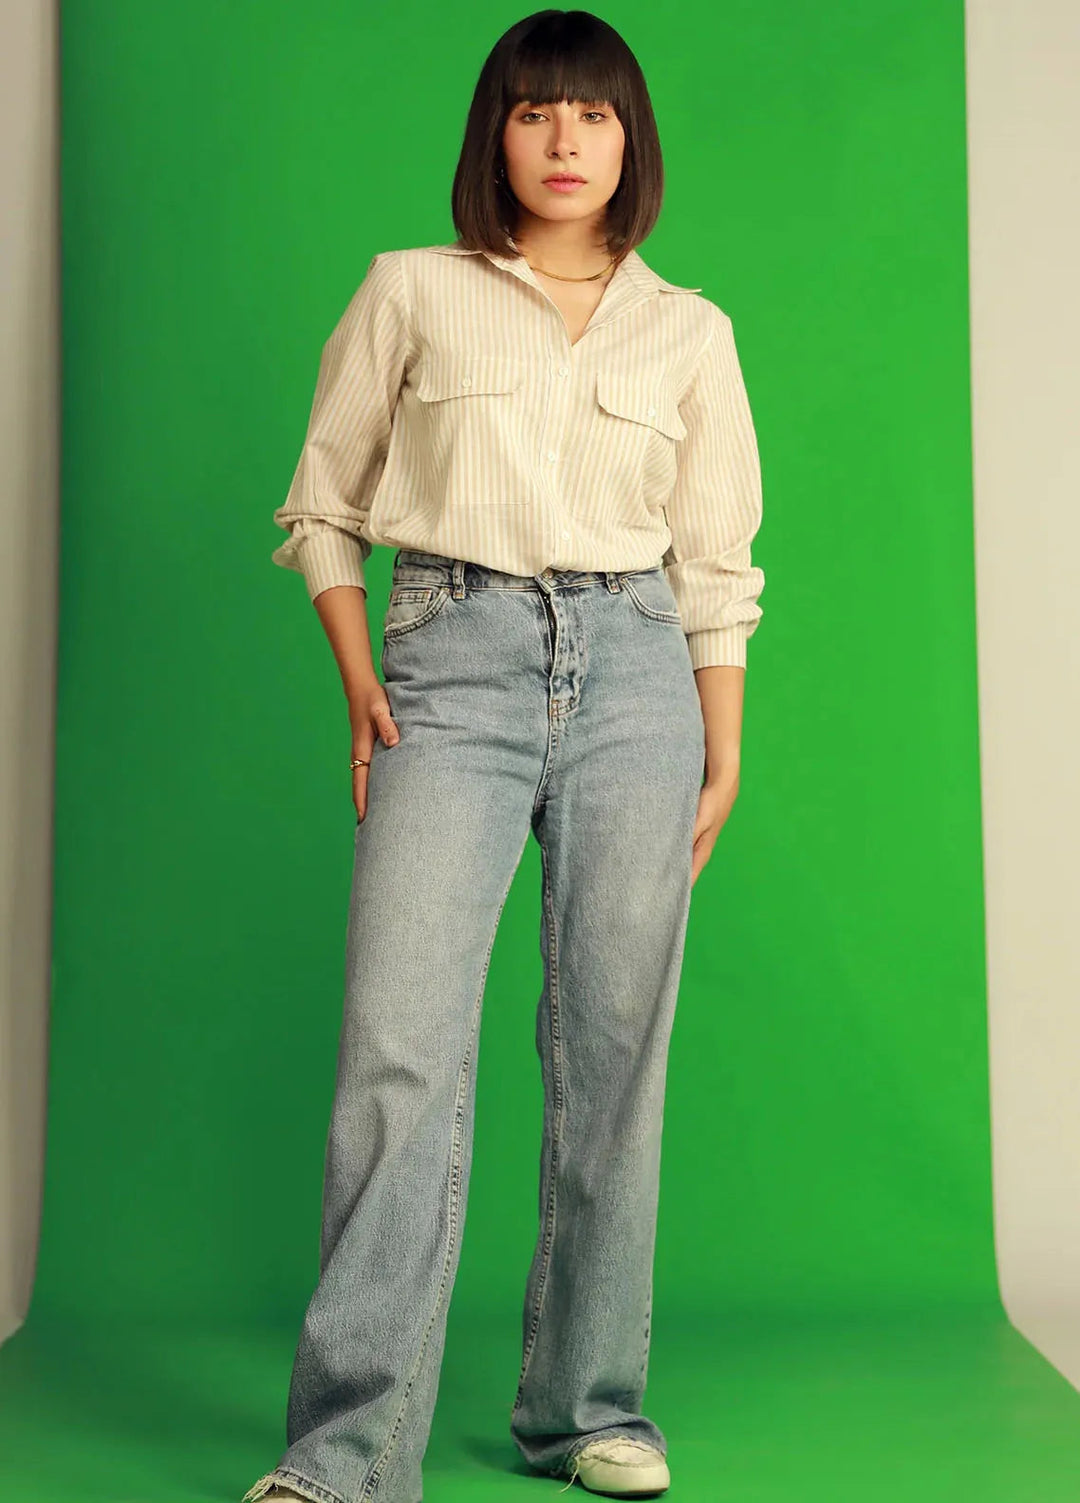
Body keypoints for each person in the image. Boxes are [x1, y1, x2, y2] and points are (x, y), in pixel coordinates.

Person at [241, 9, 764, 1503]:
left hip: (640, 680)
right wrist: (360, 677)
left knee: (613, 1049)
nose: (564, 141)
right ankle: (348, 1453)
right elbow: (323, 502)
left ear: (629, 139)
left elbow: (716, 562)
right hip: (448, 663)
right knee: (397, 1048)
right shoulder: (412, 289)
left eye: (592, 115)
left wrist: (722, 746)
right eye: (535, 113)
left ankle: (587, 1409)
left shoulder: (691, 330)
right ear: (497, 135)